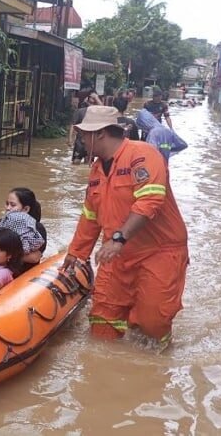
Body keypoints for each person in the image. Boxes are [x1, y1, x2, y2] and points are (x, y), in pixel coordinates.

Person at [59, 106, 188, 348]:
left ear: (100, 134)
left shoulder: (143, 155)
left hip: (158, 251)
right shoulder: (97, 170)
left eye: (84, 135)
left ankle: (156, 357)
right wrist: (76, 253)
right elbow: (90, 216)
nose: (82, 140)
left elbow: (150, 200)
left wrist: (118, 238)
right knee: (102, 322)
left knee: (152, 322)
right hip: (117, 254)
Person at [70, 93, 102, 164]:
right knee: (77, 162)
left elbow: (103, 108)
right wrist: (70, 139)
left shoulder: (96, 112)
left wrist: (96, 97)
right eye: (92, 97)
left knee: (87, 163)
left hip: (91, 142)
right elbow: (73, 125)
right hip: (81, 141)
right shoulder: (80, 111)